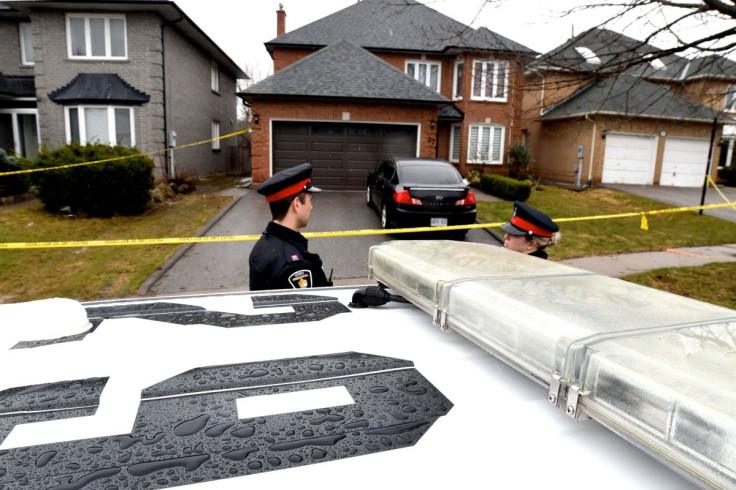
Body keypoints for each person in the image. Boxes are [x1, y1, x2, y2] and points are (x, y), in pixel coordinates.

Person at [249, 163, 333, 290]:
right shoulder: (295, 269)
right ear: (297, 204)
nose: (312, 208)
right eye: (310, 201)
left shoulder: (262, 246)